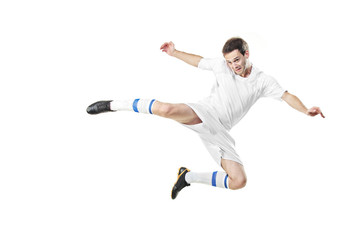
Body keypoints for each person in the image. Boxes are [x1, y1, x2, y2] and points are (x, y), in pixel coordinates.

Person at [86, 37, 325, 199]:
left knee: (238, 181)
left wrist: (305, 110)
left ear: (246, 54)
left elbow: (286, 96)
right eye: (230, 62)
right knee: (167, 110)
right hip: (205, 112)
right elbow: (198, 61)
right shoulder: (222, 66)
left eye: (237, 61)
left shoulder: (262, 81)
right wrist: (174, 52)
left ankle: (186, 176)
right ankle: (112, 105)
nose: (234, 66)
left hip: (220, 131)